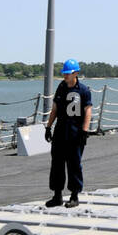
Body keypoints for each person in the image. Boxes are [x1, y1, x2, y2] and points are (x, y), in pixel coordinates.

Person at [43, 58, 92, 208]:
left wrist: (84, 131)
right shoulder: (61, 88)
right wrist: (48, 127)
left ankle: (74, 195)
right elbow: (55, 109)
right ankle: (57, 195)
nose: (65, 76)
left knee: (74, 164)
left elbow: (88, 110)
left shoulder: (83, 90)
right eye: (64, 73)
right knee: (56, 164)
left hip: (75, 133)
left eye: (68, 73)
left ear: (76, 73)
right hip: (60, 132)